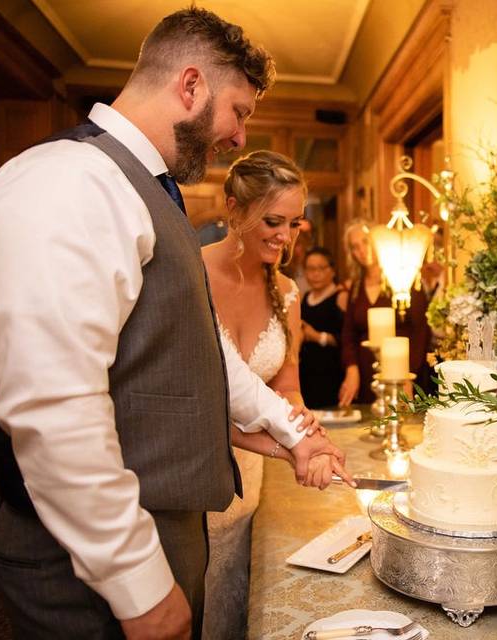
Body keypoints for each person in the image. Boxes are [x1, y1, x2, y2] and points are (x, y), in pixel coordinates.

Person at [0, 8, 353, 640]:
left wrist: (293, 431)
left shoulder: (145, 189)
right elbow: (54, 409)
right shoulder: (69, 180)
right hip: (89, 566)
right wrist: (140, 586)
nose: (238, 138)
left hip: (162, 532)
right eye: (239, 111)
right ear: (190, 85)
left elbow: (202, 354)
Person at [200, 149, 314, 639]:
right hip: (189, 476)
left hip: (249, 484)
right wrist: (281, 443)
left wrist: (305, 428)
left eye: (294, 223)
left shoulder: (286, 291)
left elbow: (286, 386)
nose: (285, 237)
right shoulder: (190, 274)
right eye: (273, 220)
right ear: (233, 209)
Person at [338, 220, 431, 406]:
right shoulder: (356, 286)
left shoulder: (404, 277)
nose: (362, 251)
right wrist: (352, 368)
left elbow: (421, 330)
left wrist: (407, 375)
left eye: (365, 242)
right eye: (354, 247)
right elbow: (349, 333)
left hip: (403, 371)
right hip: (367, 374)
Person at [299, 247, 347, 408]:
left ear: (332, 270)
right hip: (307, 373)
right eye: (310, 269)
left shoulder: (340, 296)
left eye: (321, 268)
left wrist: (318, 336)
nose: (315, 274)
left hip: (332, 374)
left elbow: (346, 340)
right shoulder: (305, 298)